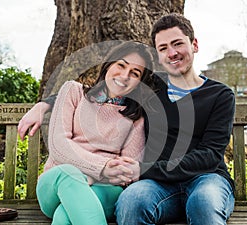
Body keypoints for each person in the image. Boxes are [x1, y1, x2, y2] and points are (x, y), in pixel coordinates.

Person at [18, 13, 235, 225]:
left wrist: (138, 170)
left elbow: (209, 154)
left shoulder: (220, 95)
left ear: (194, 45)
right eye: (163, 48)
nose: (172, 53)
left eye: (177, 44)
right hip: (155, 184)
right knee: (131, 202)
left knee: (203, 203)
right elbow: (87, 95)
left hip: (205, 177)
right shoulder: (152, 94)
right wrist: (43, 105)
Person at [30, 41, 154, 225]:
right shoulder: (73, 91)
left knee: (64, 217)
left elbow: (126, 173)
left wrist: (95, 176)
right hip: (55, 184)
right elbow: (59, 145)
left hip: (105, 191)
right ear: (108, 65)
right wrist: (100, 168)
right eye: (121, 65)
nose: (125, 75)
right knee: (69, 173)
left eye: (135, 73)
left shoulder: (135, 118)